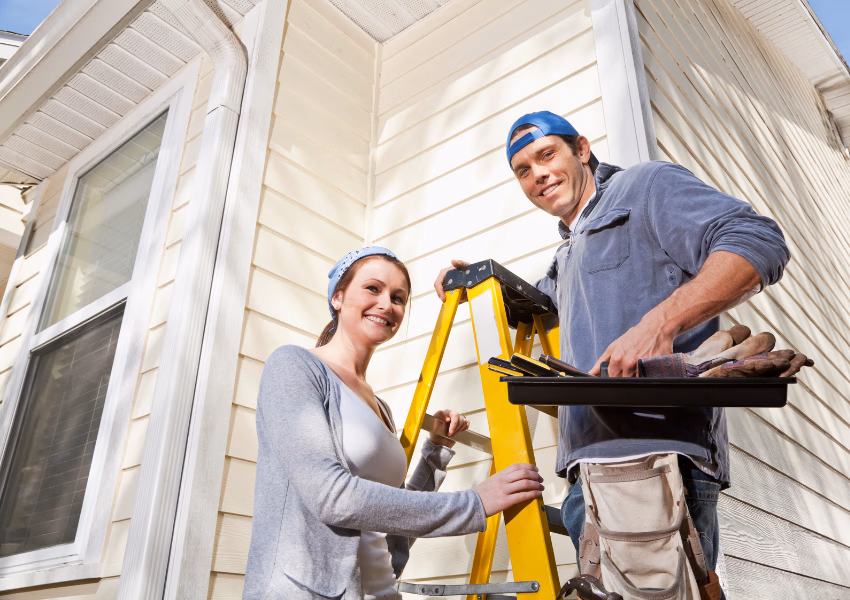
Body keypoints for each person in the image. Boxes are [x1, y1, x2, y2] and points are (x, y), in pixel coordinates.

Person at [434, 112, 789, 596]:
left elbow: (759, 242)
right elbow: (537, 304)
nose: (537, 174)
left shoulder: (644, 188)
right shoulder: (566, 257)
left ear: (581, 150)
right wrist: (478, 278)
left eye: (546, 155)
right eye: (522, 169)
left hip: (658, 458)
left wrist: (659, 323)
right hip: (585, 468)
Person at [243, 247, 546, 600]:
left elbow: (392, 522)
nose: (387, 304)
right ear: (338, 297)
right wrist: (473, 504)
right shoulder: (294, 367)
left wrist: (436, 450)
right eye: (373, 289)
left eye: (398, 297)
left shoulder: (379, 406)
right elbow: (332, 498)